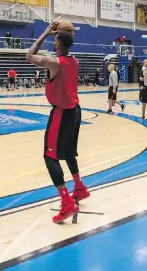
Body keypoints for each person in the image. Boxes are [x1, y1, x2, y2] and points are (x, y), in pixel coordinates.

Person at [26, 22, 89, 224]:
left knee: (50, 156)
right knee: (69, 153)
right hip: (76, 112)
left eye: (55, 39)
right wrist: (63, 33)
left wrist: (44, 33)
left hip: (62, 113)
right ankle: (79, 188)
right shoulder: (75, 61)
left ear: (58, 42)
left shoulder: (55, 63)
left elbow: (29, 56)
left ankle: (67, 203)